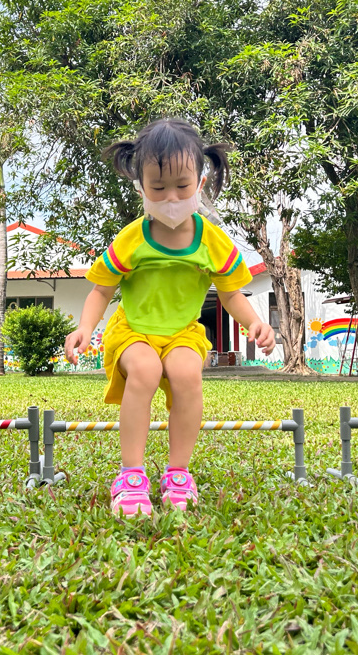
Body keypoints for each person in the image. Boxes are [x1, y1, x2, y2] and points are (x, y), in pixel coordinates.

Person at [64, 118, 276, 516]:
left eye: (182, 185)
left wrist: (255, 324)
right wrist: (84, 328)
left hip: (183, 333)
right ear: (140, 186)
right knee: (145, 370)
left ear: (200, 181)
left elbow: (231, 293)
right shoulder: (132, 238)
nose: (171, 197)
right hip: (133, 331)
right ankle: (131, 476)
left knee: (187, 374)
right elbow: (101, 290)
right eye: (158, 188)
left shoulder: (213, 241)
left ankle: (178, 473)